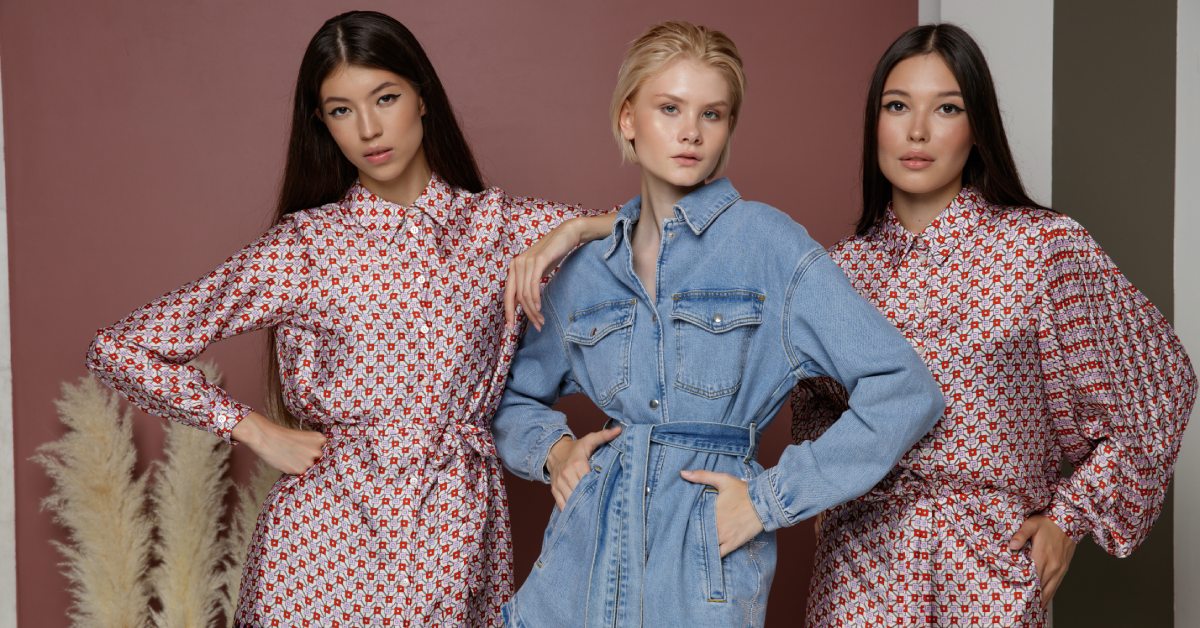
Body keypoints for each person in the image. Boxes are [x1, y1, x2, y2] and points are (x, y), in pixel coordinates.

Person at [85, 10, 610, 626]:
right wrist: (252, 429)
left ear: (422, 97)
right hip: (318, 547)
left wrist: (576, 230)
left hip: (455, 531)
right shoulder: (305, 245)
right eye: (341, 110)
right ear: (322, 123)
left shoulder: (502, 228)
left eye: (385, 98)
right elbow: (119, 348)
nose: (368, 128)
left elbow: (666, 236)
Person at [492, 21, 945, 627]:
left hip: (700, 565)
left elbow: (904, 389)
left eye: (713, 114)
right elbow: (510, 396)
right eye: (669, 107)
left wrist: (770, 500)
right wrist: (556, 451)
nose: (690, 131)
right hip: (580, 565)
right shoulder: (587, 271)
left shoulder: (766, 244)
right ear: (628, 119)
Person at [792, 23, 1197, 626]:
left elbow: (1159, 382)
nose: (918, 130)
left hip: (989, 568)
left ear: (977, 127)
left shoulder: (1043, 248)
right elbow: (814, 404)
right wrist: (822, 483)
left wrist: (1067, 519)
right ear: (874, 122)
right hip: (859, 569)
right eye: (897, 106)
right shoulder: (836, 271)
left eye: (947, 108)